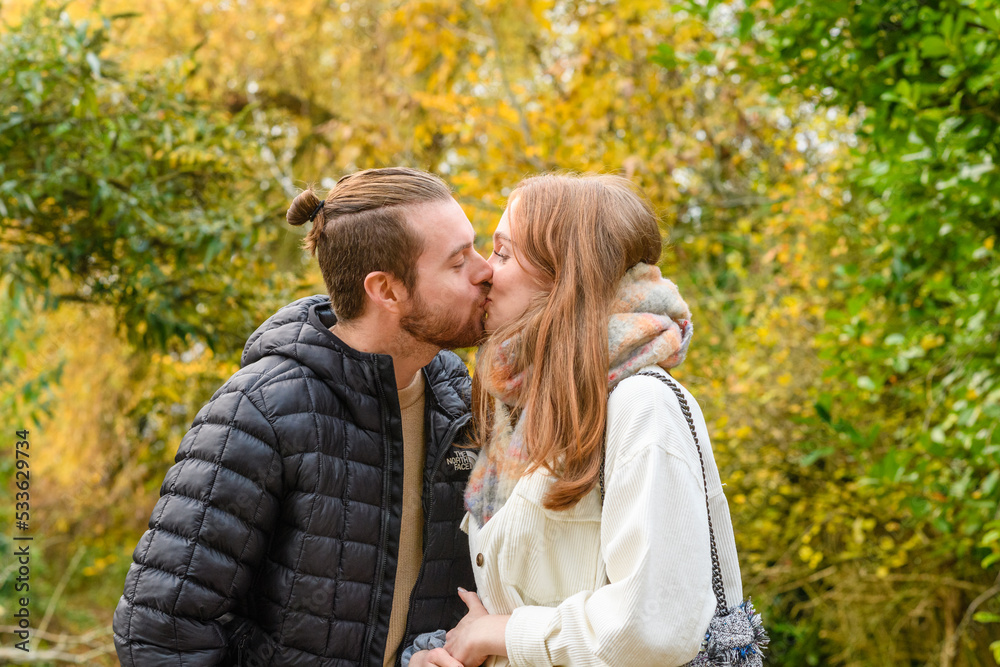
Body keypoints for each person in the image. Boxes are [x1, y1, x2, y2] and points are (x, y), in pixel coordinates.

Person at [113, 167, 491, 666]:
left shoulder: (465, 407)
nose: (486, 270)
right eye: (458, 261)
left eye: (477, 249)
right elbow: (159, 631)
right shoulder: (260, 412)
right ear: (387, 290)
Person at [408, 173, 745, 667]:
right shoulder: (520, 411)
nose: (484, 272)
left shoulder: (641, 405)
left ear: (566, 274)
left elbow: (656, 626)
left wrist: (502, 634)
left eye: (502, 253)